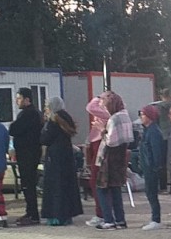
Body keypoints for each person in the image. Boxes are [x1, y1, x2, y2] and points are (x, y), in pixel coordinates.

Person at [39, 97, 83, 226]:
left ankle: (56, 215)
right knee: (66, 186)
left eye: (47, 106)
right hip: (66, 157)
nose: (45, 108)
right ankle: (67, 215)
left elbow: (45, 139)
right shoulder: (66, 118)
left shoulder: (53, 120)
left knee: (55, 187)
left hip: (54, 158)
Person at [95, 92, 132, 230]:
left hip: (110, 158)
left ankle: (109, 220)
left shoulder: (114, 119)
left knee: (102, 189)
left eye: (105, 102)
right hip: (121, 157)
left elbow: (110, 141)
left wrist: (102, 131)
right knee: (116, 189)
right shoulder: (126, 116)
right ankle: (120, 220)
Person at [9, 87, 43, 226]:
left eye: (19, 98)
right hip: (29, 152)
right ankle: (30, 211)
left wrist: (13, 126)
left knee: (28, 184)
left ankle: (33, 214)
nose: (16, 101)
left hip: (28, 153)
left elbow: (14, 129)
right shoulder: (33, 113)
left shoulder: (28, 114)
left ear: (27, 100)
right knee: (27, 184)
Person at [84, 94, 111, 226]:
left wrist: (96, 97)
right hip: (95, 143)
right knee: (94, 180)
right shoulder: (104, 112)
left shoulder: (106, 112)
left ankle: (102, 214)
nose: (100, 100)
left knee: (96, 180)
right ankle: (102, 213)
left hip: (100, 144)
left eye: (103, 98)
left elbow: (89, 107)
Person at [139, 105, 166, 230]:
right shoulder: (147, 130)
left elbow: (156, 151)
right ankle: (154, 218)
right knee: (149, 193)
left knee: (152, 193)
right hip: (147, 166)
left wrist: (155, 167)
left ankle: (156, 219)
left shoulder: (154, 131)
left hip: (151, 168)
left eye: (143, 114)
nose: (141, 116)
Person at [156, 89, 171, 192]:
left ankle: (163, 186)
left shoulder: (158, 108)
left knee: (162, 163)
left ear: (162, 96)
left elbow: (156, 122)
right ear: (170, 95)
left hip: (162, 136)